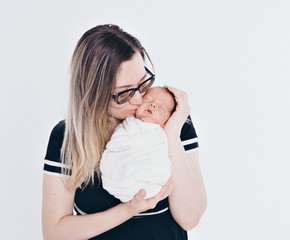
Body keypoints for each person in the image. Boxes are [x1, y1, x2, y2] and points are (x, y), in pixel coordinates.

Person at [42, 24, 207, 239]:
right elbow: (55, 233)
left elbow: (190, 218)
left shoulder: (171, 117)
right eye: (125, 92)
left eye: (142, 84)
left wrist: (172, 134)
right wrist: (129, 209)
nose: (139, 100)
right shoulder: (67, 137)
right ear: (94, 93)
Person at [100, 87, 176, 202]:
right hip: (121, 173)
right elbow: (116, 143)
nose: (153, 105)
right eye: (147, 101)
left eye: (161, 108)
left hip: (149, 178)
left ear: (167, 119)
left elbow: (161, 157)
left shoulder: (161, 135)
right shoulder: (128, 124)